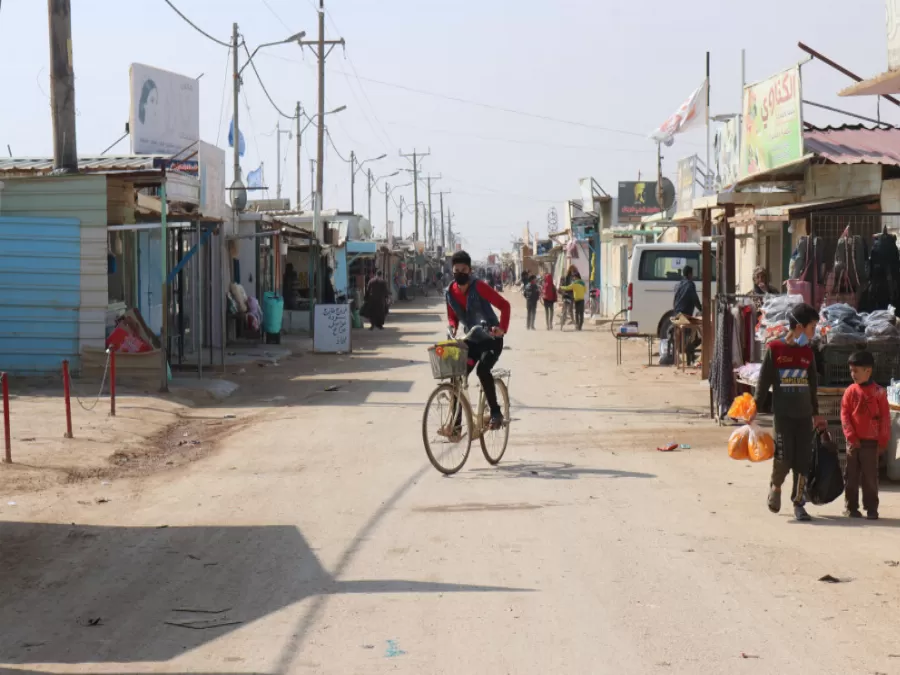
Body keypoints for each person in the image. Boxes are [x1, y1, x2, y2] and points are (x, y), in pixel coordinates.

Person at [753, 303, 826, 522]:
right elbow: (763, 381)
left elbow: (812, 386)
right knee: (783, 458)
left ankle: (799, 503)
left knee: (803, 462)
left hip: (804, 417)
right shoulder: (775, 349)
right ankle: (775, 487)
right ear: (800, 327)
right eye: (812, 327)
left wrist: (816, 413)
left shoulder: (807, 353)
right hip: (783, 417)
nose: (814, 332)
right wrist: (754, 408)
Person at [446, 250, 511, 429]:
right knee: (457, 374)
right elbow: (453, 316)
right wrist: (452, 326)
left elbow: (504, 305)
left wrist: (502, 328)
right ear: (452, 271)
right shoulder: (450, 292)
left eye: (464, 269)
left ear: (470, 270)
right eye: (456, 270)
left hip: (491, 339)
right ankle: (456, 424)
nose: (460, 273)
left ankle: (496, 412)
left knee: (483, 370)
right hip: (471, 340)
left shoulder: (480, 287)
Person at [841, 351, 890, 520]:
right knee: (851, 477)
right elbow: (845, 415)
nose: (852, 374)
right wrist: (850, 436)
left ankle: (871, 508)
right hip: (853, 443)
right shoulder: (850, 392)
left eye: (856, 371)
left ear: (868, 371)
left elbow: (885, 418)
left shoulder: (879, 393)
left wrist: (883, 441)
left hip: (871, 443)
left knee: (870, 478)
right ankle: (851, 507)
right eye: (851, 371)